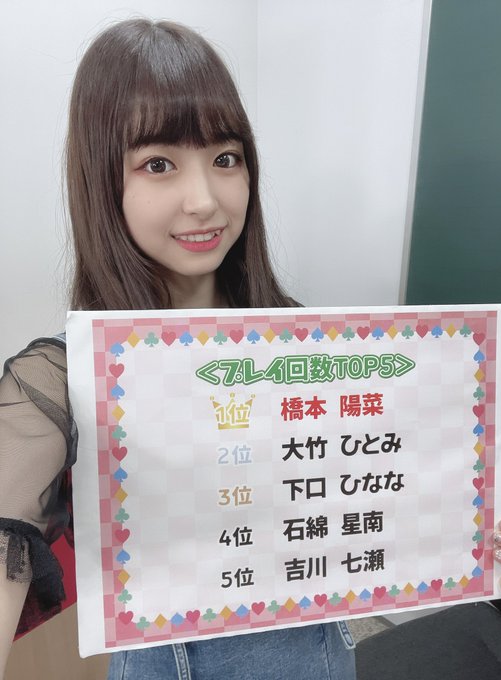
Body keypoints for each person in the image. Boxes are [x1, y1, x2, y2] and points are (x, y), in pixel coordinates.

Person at [0, 19, 357, 680]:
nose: (205, 201)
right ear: (102, 181)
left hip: (325, 659)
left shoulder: (304, 341)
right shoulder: (59, 379)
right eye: (158, 164)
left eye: (226, 158)